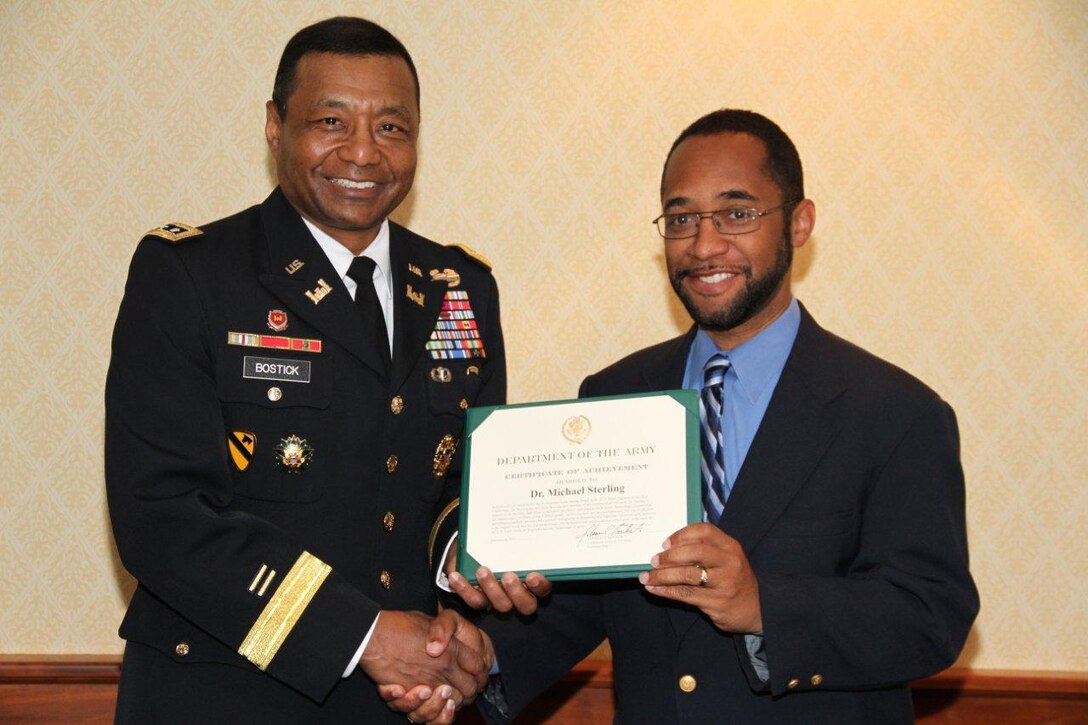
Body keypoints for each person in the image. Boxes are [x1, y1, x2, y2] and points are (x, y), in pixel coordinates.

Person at [387, 109, 979, 723]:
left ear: (800, 223)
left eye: (737, 213)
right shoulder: (615, 394)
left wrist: (761, 605)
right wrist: (484, 656)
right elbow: (594, 598)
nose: (704, 244)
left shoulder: (894, 412)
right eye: (681, 219)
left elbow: (931, 616)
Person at [105, 16, 503, 722]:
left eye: (392, 127)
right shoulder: (192, 276)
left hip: (406, 698)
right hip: (223, 694)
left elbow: (463, 480)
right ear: (273, 126)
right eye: (330, 120)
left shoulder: (457, 287)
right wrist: (361, 632)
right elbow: (160, 515)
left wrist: (466, 578)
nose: (362, 152)